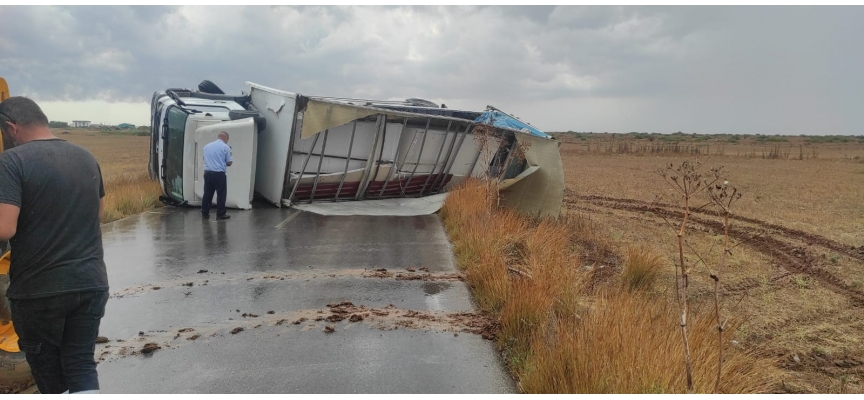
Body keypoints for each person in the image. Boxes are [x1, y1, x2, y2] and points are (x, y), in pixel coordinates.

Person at [0, 97, 108, 394]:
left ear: (11, 127)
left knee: (48, 375)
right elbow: (97, 214)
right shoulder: (85, 156)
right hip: (91, 284)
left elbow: (4, 227)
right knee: (80, 364)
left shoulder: (11, 162)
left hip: (39, 291)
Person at [201, 131, 232, 220]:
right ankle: (220, 213)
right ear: (225, 138)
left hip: (207, 173)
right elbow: (229, 162)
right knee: (221, 194)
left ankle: (204, 212)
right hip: (219, 174)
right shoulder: (226, 147)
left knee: (207, 193)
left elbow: (204, 158)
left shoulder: (207, 146)